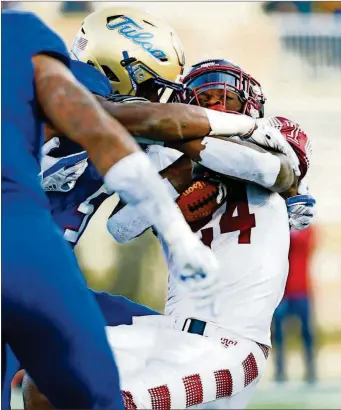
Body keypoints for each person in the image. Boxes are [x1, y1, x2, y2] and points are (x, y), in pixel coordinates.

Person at [22, 59, 315, 409]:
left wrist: (174, 135)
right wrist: (175, 175)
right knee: (45, 377)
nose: (213, 106)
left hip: (228, 345)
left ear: (248, 106)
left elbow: (266, 168)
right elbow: (121, 227)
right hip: (168, 331)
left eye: (225, 99)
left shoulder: (271, 134)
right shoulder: (170, 160)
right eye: (201, 102)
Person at [2, 9, 220, 409]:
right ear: (122, 68)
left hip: (49, 281)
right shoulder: (82, 84)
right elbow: (144, 119)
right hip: (26, 265)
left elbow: (123, 225)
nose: (163, 99)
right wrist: (251, 131)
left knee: (184, 341)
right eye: (156, 87)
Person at [273, 225, 317, 383]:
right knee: (278, 334)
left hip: (301, 289)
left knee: (307, 332)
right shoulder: (280, 227)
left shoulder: (307, 228)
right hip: (282, 291)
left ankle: (311, 370)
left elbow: (304, 243)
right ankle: (280, 371)